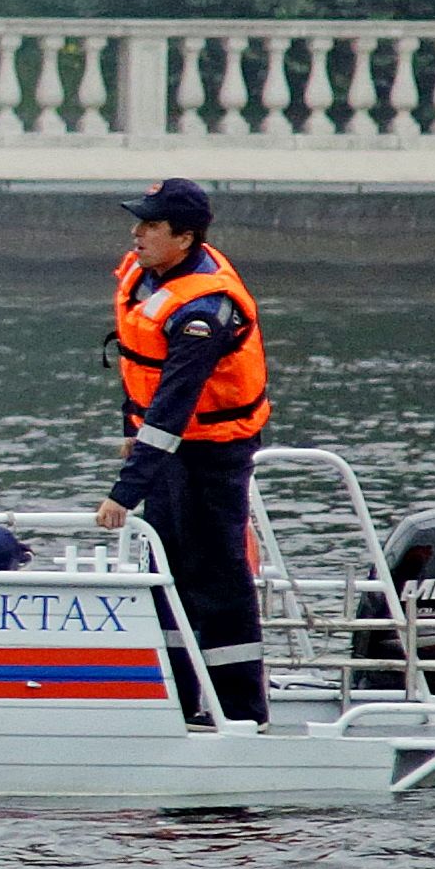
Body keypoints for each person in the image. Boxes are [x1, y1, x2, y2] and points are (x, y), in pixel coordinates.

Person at [92, 177, 272, 725]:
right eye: (138, 222)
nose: (136, 233)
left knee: (218, 580)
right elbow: (135, 360)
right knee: (167, 569)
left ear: (185, 237)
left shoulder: (206, 308)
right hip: (168, 450)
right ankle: (182, 699)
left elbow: (174, 406)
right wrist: (130, 422)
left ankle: (242, 713)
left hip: (214, 454)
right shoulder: (148, 277)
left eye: (150, 225)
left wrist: (125, 492)